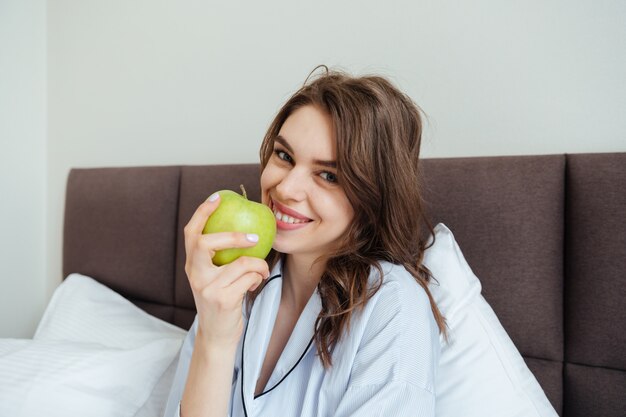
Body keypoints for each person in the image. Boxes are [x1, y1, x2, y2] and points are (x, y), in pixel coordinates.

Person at [164, 67, 448, 417]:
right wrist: (215, 337)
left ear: (373, 198)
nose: (285, 188)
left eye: (328, 175)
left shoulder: (394, 307)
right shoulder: (232, 283)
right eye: (284, 156)